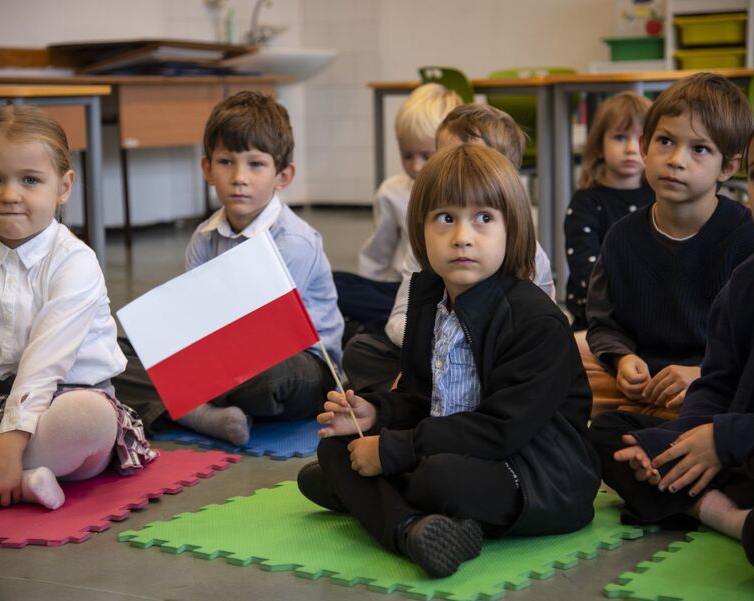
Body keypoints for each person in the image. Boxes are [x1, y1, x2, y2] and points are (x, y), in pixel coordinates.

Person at [297, 144, 599, 578]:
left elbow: (499, 431)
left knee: (437, 478)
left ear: (512, 230)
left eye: (484, 218)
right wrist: (377, 412)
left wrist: (392, 450)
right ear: (420, 231)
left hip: (537, 474)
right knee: (334, 447)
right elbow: (423, 398)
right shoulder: (429, 300)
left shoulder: (537, 320)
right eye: (445, 218)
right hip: (456, 447)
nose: (462, 236)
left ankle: (381, 503)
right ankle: (414, 528)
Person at [588, 99, 754, 597]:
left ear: (720, 167)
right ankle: (723, 510)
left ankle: (714, 510)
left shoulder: (740, 241)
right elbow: (720, 382)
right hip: (735, 444)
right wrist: (683, 439)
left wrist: (721, 439)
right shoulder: (750, 281)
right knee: (612, 436)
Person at [0, 106, 157, 510]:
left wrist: (7, 447)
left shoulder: (75, 260)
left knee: (89, 418)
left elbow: (45, 364)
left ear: (63, 186)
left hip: (65, 403)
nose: (9, 194)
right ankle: (17, 482)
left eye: (30, 180)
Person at [584, 72, 754, 418]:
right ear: (644, 146)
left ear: (728, 166)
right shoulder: (621, 237)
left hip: (716, 388)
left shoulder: (750, 239)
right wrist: (623, 359)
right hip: (645, 386)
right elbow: (604, 323)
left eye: (699, 149)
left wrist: (704, 375)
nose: (676, 160)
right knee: (572, 386)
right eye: (665, 141)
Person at [343, 103, 555, 393]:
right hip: (431, 355)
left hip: (494, 366)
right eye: (443, 159)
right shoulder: (427, 244)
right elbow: (400, 318)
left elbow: (541, 337)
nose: (456, 173)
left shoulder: (528, 254)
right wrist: (435, 345)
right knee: (361, 350)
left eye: (475, 163)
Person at [173, 91, 343, 446]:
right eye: (226, 162)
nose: (239, 177)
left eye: (255, 164)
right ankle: (206, 415)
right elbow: (191, 318)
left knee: (268, 377)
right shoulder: (203, 239)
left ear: (283, 175)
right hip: (223, 352)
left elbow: (262, 334)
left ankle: (187, 402)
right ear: (207, 168)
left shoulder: (294, 241)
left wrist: (194, 355)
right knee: (121, 355)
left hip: (300, 365)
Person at [333, 83, 462, 341]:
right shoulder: (391, 192)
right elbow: (378, 253)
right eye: (407, 155)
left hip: (443, 292)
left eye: (427, 156)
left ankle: (374, 328)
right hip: (397, 291)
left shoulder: (462, 193)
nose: (415, 166)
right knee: (333, 284)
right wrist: (369, 289)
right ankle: (378, 323)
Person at [565, 92, 653, 331]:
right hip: (596, 317)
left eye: (641, 139)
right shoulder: (586, 202)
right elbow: (586, 269)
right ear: (599, 146)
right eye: (619, 137)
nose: (631, 148)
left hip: (654, 315)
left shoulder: (658, 197)